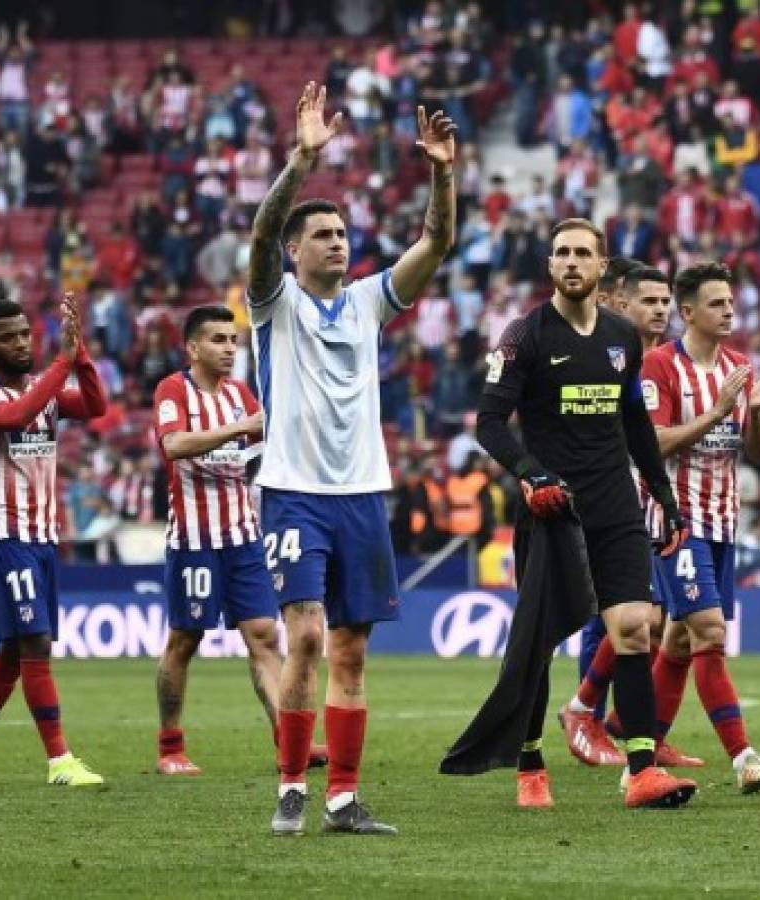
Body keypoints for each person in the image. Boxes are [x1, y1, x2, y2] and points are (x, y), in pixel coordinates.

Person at [248, 83, 456, 836]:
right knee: (302, 637)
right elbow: (261, 230)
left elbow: (435, 244)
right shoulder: (274, 302)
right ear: (295, 251)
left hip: (364, 494)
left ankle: (341, 797)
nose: (338, 241)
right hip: (293, 492)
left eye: (342, 232)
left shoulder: (368, 300)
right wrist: (301, 162)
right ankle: (290, 789)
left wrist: (441, 173)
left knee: (352, 649)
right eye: (323, 234)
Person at [476, 217, 696, 810]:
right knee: (540, 641)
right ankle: (529, 762)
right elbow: (489, 423)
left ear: (602, 270)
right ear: (550, 266)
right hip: (551, 509)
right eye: (561, 253)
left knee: (635, 627)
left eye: (582, 254)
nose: (571, 262)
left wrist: (663, 496)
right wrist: (531, 475)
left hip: (615, 506)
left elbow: (635, 427)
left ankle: (643, 768)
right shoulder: (524, 337)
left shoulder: (621, 338)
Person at [639, 261, 760, 794]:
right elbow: (652, 443)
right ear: (687, 312)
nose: (729, 310)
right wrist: (719, 409)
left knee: (680, 641)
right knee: (709, 631)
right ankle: (743, 756)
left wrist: (753, 413)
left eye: (730, 302)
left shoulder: (740, 366)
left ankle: (645, 755)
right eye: (716, 303)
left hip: (724, 520)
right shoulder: (659, 366)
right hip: (677, 519)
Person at [150, 305, 323, 776]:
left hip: (244, 536)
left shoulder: (240, 394)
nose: (229, 349)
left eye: (233, 340)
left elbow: (266, 437)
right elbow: (173, 445)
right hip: (193, 538)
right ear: (192, 347)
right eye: (218, 340)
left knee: (265, 637)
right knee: (186, 639)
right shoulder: (173, 390)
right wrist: (240, 429)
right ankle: (170, 746)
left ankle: (289, 743)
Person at [0, 294, 106, 788]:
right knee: (36, 642)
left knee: (15, 654)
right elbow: (18, 415)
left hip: (42, 538)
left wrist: (79, 352)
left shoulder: (47, 396)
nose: (21, 343)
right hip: (6, 534)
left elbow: (96, 404)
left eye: (24, 333)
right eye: (8, 337)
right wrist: (61, 362)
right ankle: (59, 761)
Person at [558, 265, 703, 771]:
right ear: (618, 305)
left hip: (647, 501)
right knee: (618, 620)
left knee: (658, 622)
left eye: (666, 302)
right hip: (608, 502)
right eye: (649, 302)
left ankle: (636, 725)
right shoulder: (603, 356)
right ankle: (588, 718)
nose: (661, 311)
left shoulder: (653, 360)